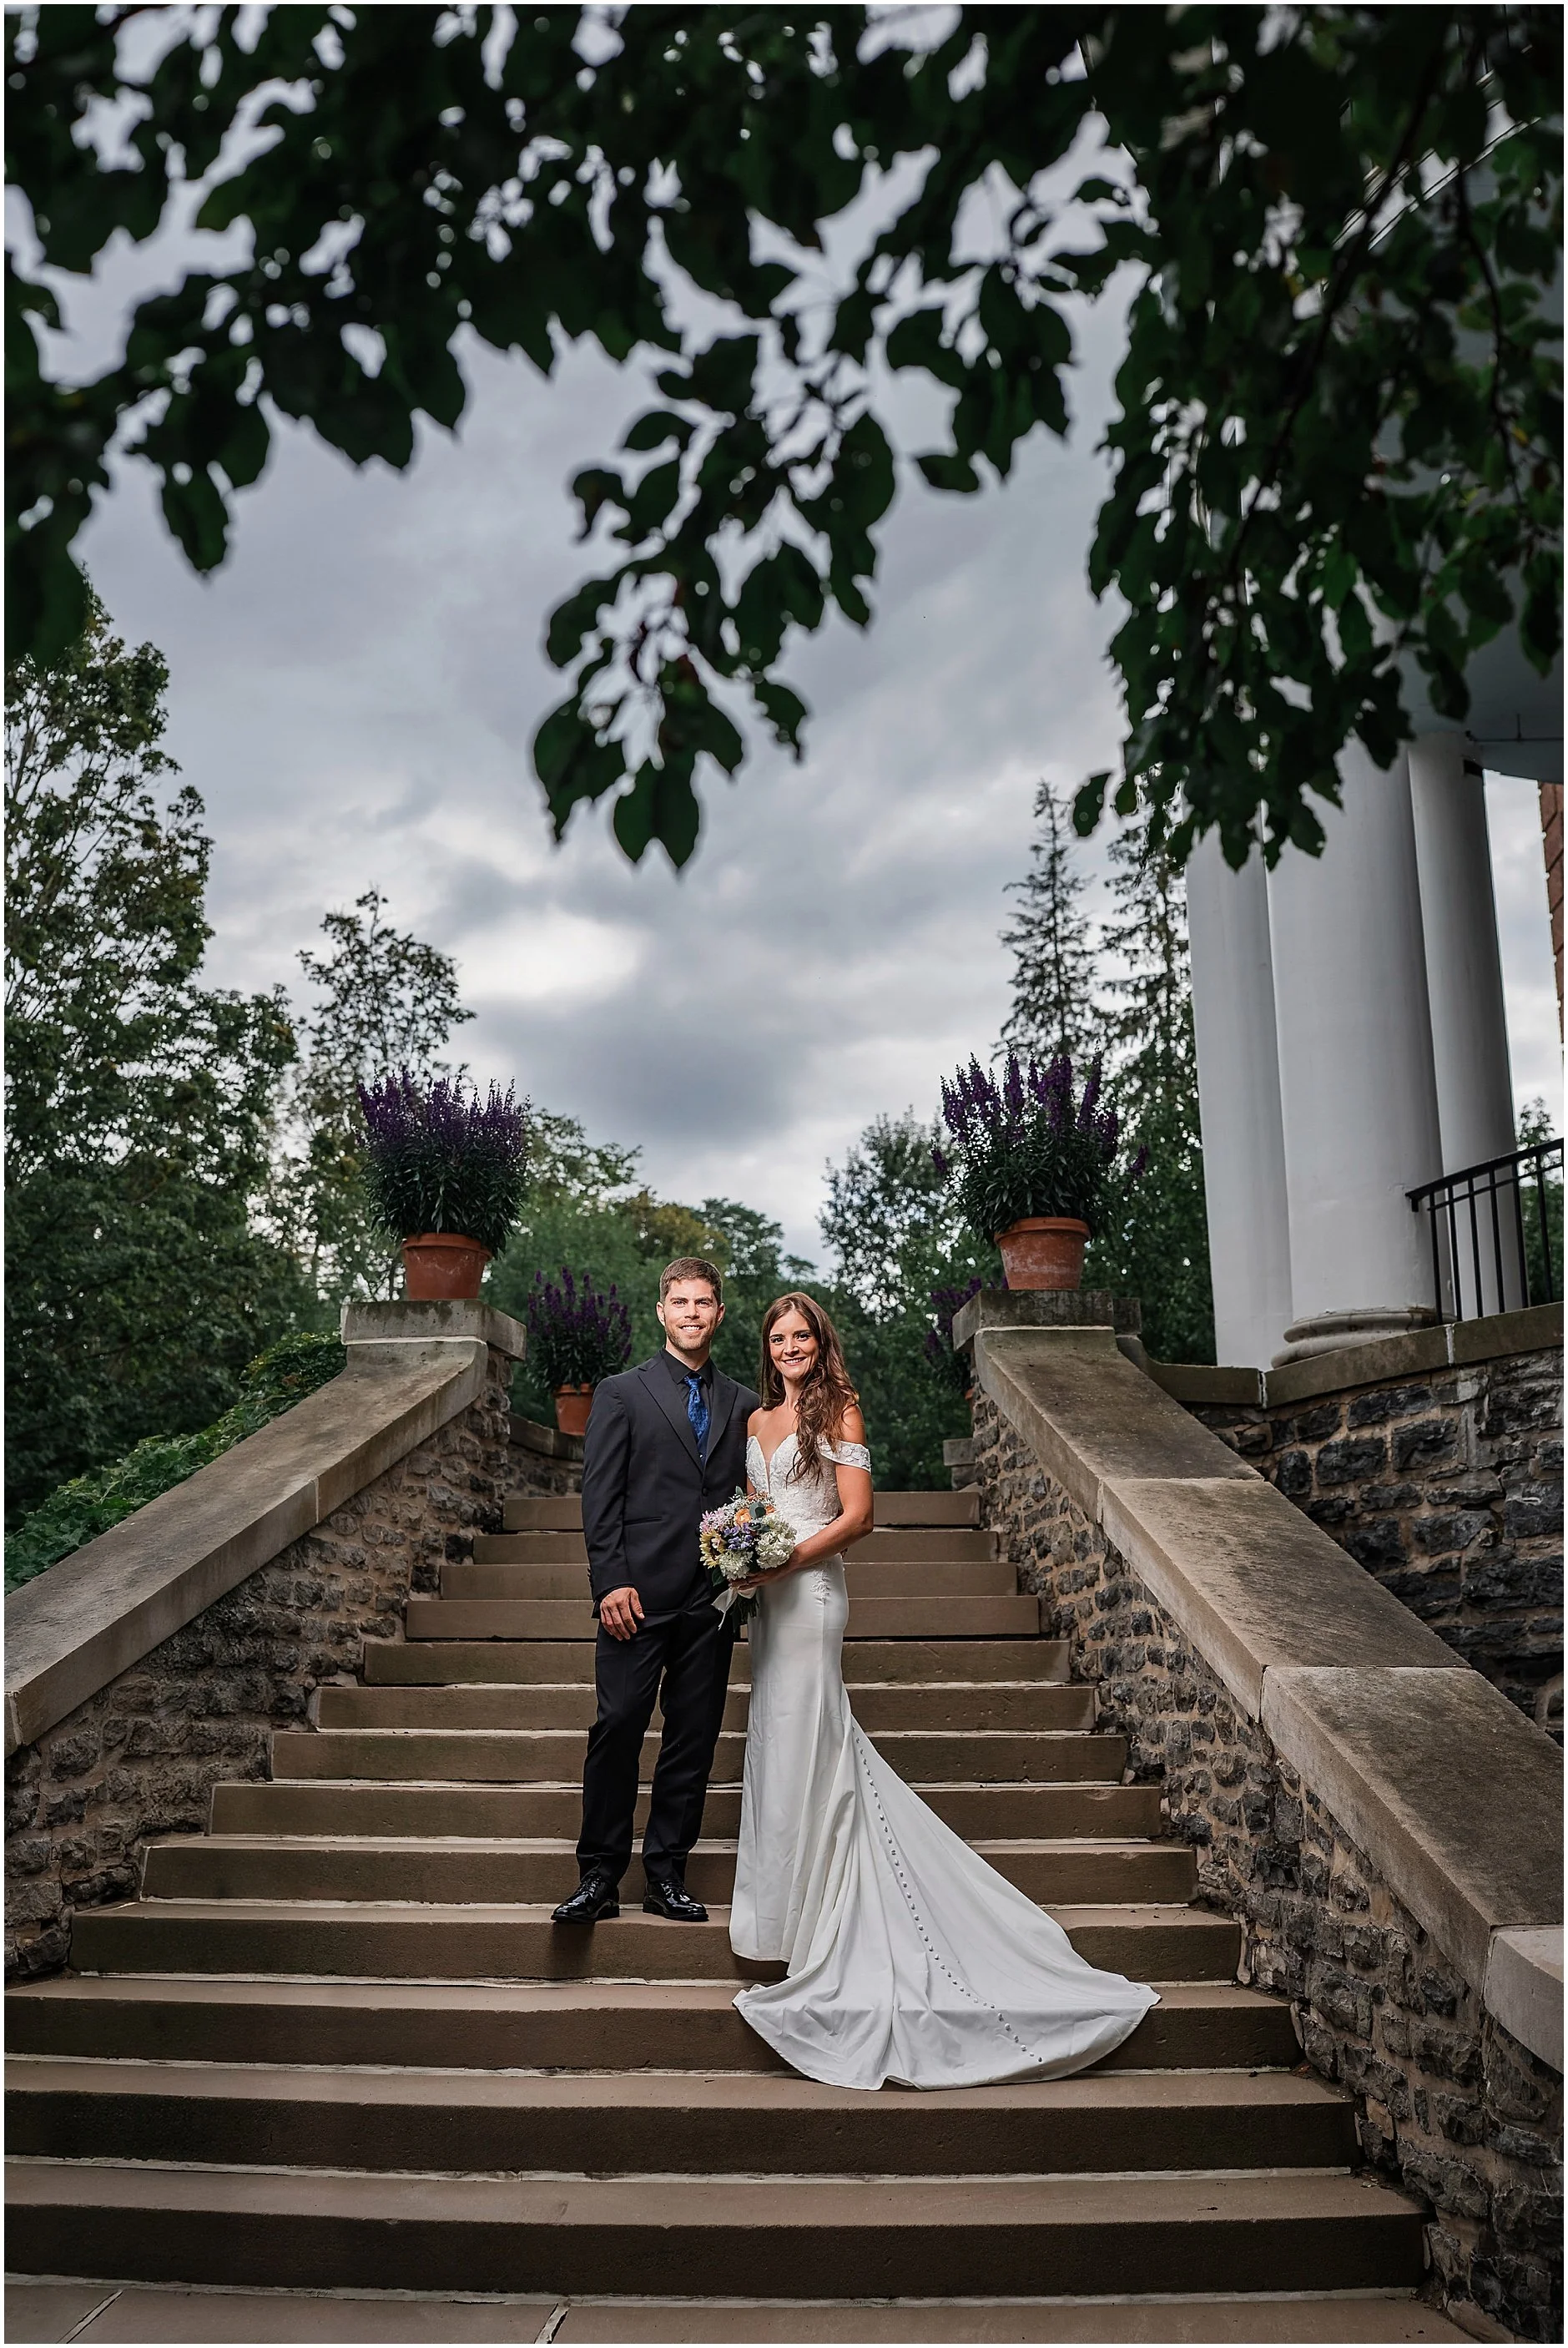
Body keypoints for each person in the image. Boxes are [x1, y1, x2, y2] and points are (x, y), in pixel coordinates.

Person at [730, 1290, 1159, 2088]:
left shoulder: (841, 1412)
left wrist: (782, 1563)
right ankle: (786, 1920)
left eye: (801, 1335)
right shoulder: (756, 1423)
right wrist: (741, 1553)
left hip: (813, 1594)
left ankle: (833, 1919)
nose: (789, 1347)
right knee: (776, 1743)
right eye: (777, 1337)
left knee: (812, 1734)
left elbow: (857, 1518)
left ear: (823, 1343)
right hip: (766, 1599)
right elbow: (759, 1509)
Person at [552, 1258, 759, 1926]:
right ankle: (598, 1876)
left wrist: (744, 1570)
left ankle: (666, 1874)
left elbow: (751, 1499)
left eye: (703, 1302)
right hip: (634, 1596)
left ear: (719, 1314)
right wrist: (609, 1579)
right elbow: (600, 1494)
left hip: (711, 1601)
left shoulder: (745, 1404)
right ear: (661, 1312)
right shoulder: (621, 1392)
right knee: (616, 1728)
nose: (692, 1312)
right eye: (680, 1301)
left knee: (692, 1740)